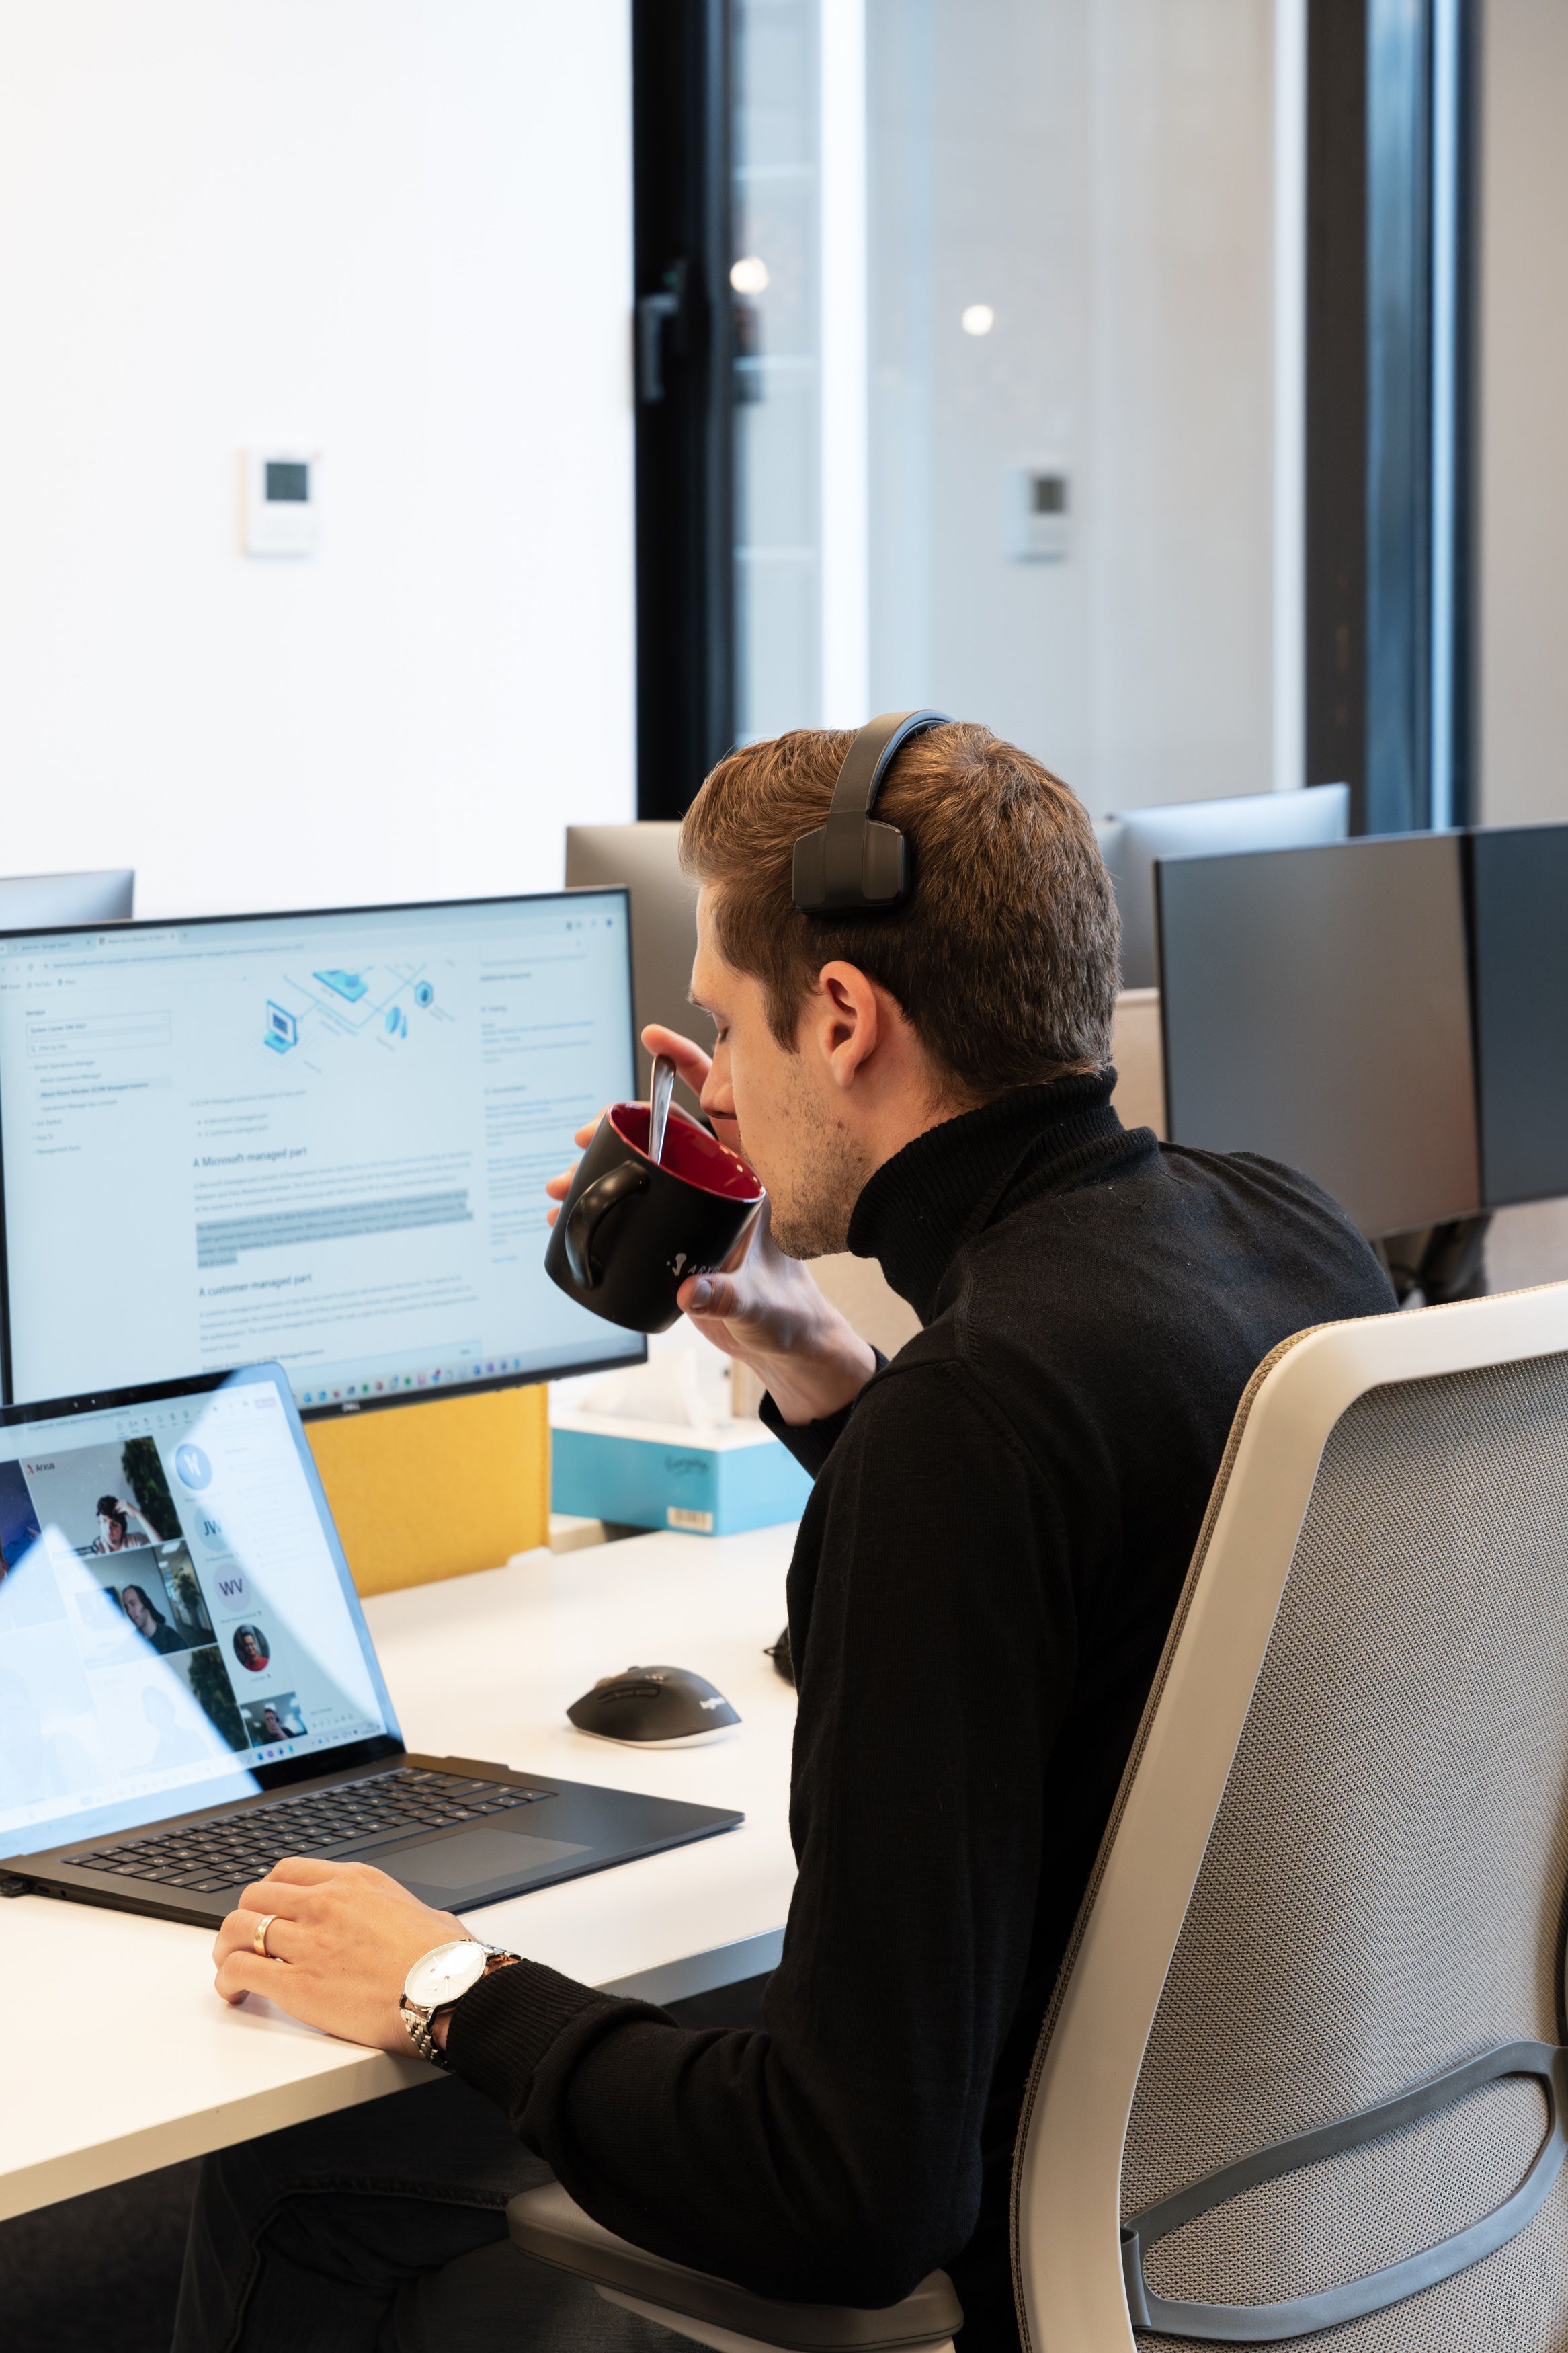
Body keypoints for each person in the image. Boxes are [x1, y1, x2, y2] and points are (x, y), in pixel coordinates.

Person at [176, 723, 1395, 2353]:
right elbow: (1080, 1596)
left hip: (1040, 2263)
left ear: (840, 1018)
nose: (716, 1079)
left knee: (291, 2176)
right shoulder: (1287, 1234)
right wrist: (825, 1370)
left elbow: (842, 2189)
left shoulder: (972, 1421)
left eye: (724, 1024)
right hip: (1335, 2231)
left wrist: (446, 1985)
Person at [119, 1580, 185, 1655]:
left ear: (145, 1603)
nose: (129, 1612)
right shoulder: (133, 1643)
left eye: (133, 1604)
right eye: (127, 1608)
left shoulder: (171, 1637)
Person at [90, 1494, 154, 1552]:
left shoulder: (136, 1541)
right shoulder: (94, 1550)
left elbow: (159, 1550)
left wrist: (138, 1514)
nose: (108, 1529)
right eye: (104, 1521)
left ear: (122, 1528)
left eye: (114, 1524)